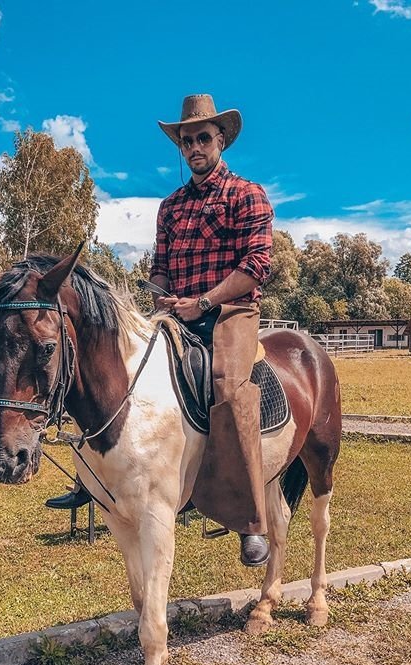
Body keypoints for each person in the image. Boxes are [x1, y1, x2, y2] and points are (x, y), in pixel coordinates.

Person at [47, 94, 273, 569]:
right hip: (178, 312)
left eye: (203, 138)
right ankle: (91, 479)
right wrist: (162, 298)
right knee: (107, 367)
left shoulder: (247, 194)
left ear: (221, 140)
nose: (194, 146)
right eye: (186, 140)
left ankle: (253, 520)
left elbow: (256, 265)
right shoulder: (170, 207)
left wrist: (205, 302)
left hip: (230, 312)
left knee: (229, 386)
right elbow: (161, 267)